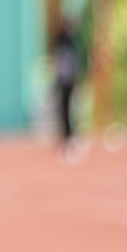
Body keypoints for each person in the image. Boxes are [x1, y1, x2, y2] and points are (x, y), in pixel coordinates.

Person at [52, 17, 83, 161]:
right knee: (62, 110)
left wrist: (76, 80)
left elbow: (74, 63)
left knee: (71, 110)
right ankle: (65, 137)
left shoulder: (72, 41)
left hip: (69, 81)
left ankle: (72, 137)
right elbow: (57, 62)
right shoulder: (59, 41)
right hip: (62, 81)